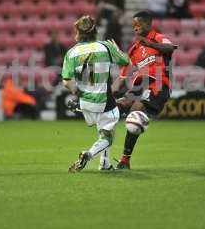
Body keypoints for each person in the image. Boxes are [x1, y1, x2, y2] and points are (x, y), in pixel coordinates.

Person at [62, 15, 130, 172]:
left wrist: (77, 93)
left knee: (104, 129)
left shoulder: (71, 53)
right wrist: (118, 50)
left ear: (79, 33)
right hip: (104, 99)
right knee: (108, 136)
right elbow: (126, 62)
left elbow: (66, 81)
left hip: (85, 101)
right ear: (95, 32)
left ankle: (104, 165)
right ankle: (88, 154)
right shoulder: (105, 46)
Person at [112, 10, 176, 169]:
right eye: (133, 25)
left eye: (138, 24)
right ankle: (109, 151)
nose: (135, 28)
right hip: (139, 85)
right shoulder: (133, 50)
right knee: (118, 104)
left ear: (148, 24)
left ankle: (125, 159)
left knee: (136, 110)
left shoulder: (158, 38)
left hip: (158, 84)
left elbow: (170, 49)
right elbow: (123, 76)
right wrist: (107, 94)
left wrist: (150, 44)